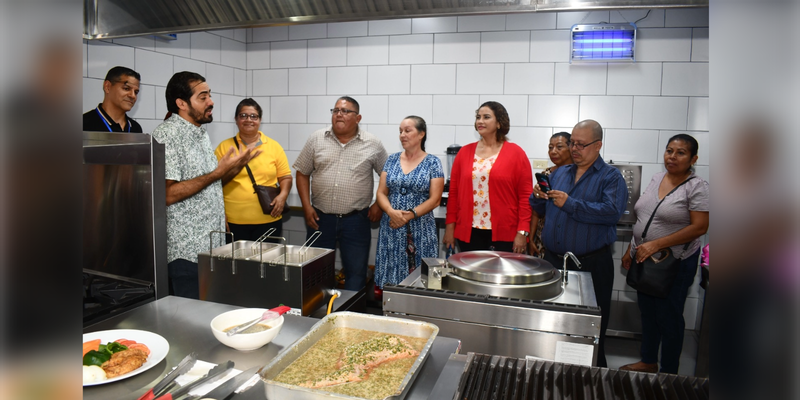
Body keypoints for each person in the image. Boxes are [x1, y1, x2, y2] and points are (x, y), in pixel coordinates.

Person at [530, 119, 628, 367]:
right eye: (572, 143)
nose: (574, 148)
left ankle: (593, 373)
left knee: (591, 325)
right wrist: (538, 196)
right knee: (555, 321)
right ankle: (553, 367)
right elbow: (542, 207)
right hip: (554, 261)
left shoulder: (611, 177)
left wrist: (570, 203)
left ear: (598, 145)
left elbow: (611, 213)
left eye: (581, 144)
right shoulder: (560, 173)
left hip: (591, 265)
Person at [151, 71, 257, 298]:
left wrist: (233, 168)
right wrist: (217, 172)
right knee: (188, 324)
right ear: (181, 103)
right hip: (186, 253)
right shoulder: (167, 134)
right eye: (203, 97)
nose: (211, 102)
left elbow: (207, 183)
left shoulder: (200, 132)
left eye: (209, 95)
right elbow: (167, 194)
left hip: (211, 246)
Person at [619, 134, 709, 374]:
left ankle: (669, 372)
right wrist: (631, 248)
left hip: (675, 263)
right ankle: (648, 360)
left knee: (668, 317)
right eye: (669, 150)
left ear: (693, 158)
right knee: (647, 312)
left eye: (680, 152)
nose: (672, 156)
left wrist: (656, 244)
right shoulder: (657, 177)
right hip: (645, 258)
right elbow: (644, 217)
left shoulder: (697, 186)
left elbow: (699, 227)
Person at [293, 96, 388, 291]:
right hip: (319, 218)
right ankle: (316, 316)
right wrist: (306, 206)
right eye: (335, 110)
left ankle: (350, 316)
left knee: (356, 273)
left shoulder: (373, 143)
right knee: (315, 272)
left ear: (358, 118)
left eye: (345, 111)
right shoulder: (316, 138)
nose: (338, 114)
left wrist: (378, 204)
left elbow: (387, 175)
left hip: (356, 220)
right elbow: (302, 172)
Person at [442, 101, 532, 254]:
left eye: (486, 117)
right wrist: (450, 227)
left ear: (499, 123)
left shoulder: (516, 154)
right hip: (469, 232)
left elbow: (525, 197)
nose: (480, 121)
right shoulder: (464, 153)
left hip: (505, 232)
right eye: (478, 117)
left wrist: (522, 232)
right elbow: (454, 195)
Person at [374, 116, 444, 291]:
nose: (402, 135)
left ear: (421, 134)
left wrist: (409, 215)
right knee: (391, 279)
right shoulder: (391, 160)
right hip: (392, 226)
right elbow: (381, 192)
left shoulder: (433, 162)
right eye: (400, 131)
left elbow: (435, 199)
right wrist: (391, 212)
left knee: (423, 281)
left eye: (407, 130)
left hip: (421, 228)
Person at [214, 98, 292, 242]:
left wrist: (283, 196)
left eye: (253, 116)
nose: (248, 120)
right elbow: (214, 184)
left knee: (268, 262)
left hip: (269, 218)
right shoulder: (224, 148)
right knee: (236, 264)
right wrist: (219, 213)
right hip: (233, 222)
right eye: (243, 115)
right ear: (236, 119)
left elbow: (286, 177)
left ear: (260, 120)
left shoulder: (274, 147)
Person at [529, 132, 573, 256]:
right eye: (550, 147)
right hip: (543, 238)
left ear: (571, 148)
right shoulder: (546, 174)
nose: (553, 151)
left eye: (559, 147)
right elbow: (536, 210)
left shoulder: (577, 175)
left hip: (567, 239)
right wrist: (531, 239)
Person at [83, 66, 143, 133]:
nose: (133, 96)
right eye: (126, 88)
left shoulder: (135, 128)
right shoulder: (84, 124)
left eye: (136, 92)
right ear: (107, 87)